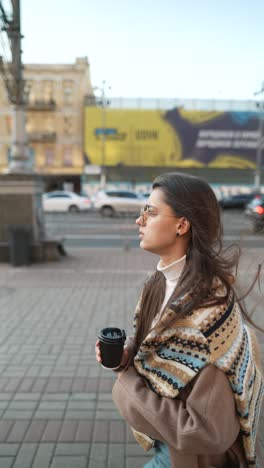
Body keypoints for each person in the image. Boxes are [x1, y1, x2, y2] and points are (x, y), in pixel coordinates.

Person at [95, 172, 264, 468]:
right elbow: (164, 348)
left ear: (181, 225)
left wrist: (127, 381)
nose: (140, 220)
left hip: (189, 460)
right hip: (167, 447)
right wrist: (127, 356)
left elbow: (210, 432)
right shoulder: (158, 284)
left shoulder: (206, 314)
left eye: (150, 211)